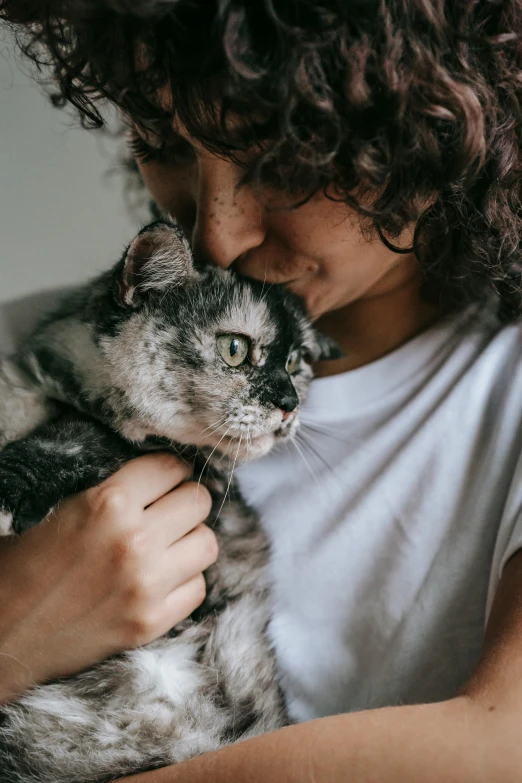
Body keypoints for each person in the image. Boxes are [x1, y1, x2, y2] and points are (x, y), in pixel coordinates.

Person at [2, 1, 522, 780]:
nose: (216, 234)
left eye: (285, 163)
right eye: (163, 141)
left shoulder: (504, 398)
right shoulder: (20, 354)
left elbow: (501, 745)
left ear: (433, 143)